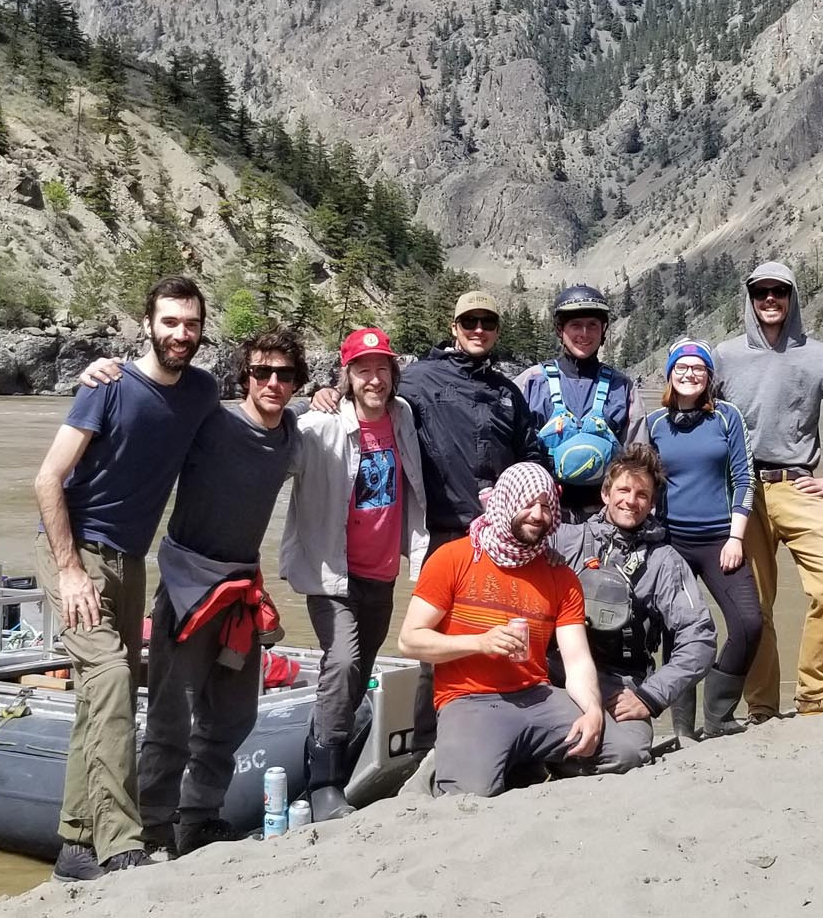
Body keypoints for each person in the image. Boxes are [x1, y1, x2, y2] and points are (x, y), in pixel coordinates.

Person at [29, 275, 216, 880]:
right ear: (147, 324)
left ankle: (75, 846)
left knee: (98, 697)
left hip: (132, 562)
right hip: (74, 556)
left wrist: (317, 399)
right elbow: (46, 480)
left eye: (190, 324)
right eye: (169, 322)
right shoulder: (106, 388)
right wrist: (69, 570)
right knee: (111, 676)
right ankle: (119, 847)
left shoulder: (202, 392)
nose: (180, 334)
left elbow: (247, 424)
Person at [136, 327, 304, 860]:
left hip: (240, 594)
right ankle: (150, 831)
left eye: (284, 374)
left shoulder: (292, 434)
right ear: (244, 377)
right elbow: (153, 401)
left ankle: (199, 820)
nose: (272, 383)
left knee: (233, 715)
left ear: (297, 382)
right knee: (170, 717)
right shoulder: (210, 422)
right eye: (261, 372)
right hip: (188, 589)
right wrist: (109, 371)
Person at [280, 326, 429, 820]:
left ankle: (321, 767)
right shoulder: (320, 425)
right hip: (332, 574)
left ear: (392, 374)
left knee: (357, 672)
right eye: (363, 370)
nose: (374, 379)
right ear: (347, 376)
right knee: (342, 663)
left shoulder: (403, 416)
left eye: (381, 369)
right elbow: (275, 453)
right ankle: (324, 785)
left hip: (381, 573)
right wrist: (303, 403)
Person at [397, 462, 605, 796]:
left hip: (538, 697)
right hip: (469, 700)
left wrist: (593, 710)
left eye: (545, 506)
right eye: (528, 503)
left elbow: (577, 661)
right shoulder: (453, 557)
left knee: (623, 751)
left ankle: (524, 757)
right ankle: (443, 762)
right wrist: (480, 643)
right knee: (471, 792)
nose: (537, 514)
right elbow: (409, 640)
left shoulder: (559, 574)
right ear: (505, 502)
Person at [714, 261, 823, 719]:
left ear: (793, 297)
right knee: (755, 607)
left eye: (780, 291)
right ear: (750, 298)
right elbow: (694, 411)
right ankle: (761, 706)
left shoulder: (819, 356)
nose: (770, 299)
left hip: (798, 486)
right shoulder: (726, 355)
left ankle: (815, 691)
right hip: (741, 492)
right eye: (761, 292)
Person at [314, 291, 540, 550]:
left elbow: (530, 456)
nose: (478, 330)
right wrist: (329, 392)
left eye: (487, 323)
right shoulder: (419, 378)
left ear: (497, 331)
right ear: (454, 328)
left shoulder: (508, 392)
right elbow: (370, 393)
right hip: (441, 533)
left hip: (499, 530)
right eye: (469, 322)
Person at [545, 445, 713, 773]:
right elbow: (505, 538)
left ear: (651, 504)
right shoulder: (565, 539)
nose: (630, 501)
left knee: (632, 755)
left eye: (642, 494)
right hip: (555, 673)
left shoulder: (666, 562)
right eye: (623, 489)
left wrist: (650, 697)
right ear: (606, 493)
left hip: (620, 686)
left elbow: (701, 640)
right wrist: (541, 559)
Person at [637, 339, 759, 738]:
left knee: (748, 625)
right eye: (682, 368)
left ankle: (720, 715)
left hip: (721, 540)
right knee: (678, 634)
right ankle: (684, 729)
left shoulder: (727, 417)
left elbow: (744, 478)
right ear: (670, 375)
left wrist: (736, 537)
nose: (690, 375)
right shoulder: (655, 423)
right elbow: (642, 484)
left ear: (709, 376)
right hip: (671, 544)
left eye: (698, 369)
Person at [515, 284, 638, 522]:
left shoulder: (623, 387)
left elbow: (637, 456)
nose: (584, 333)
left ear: (603, 330)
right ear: (560, 330)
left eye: (592, 325)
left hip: (604, 518)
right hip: (544, 516)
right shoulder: (530, 382)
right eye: (575, 325)